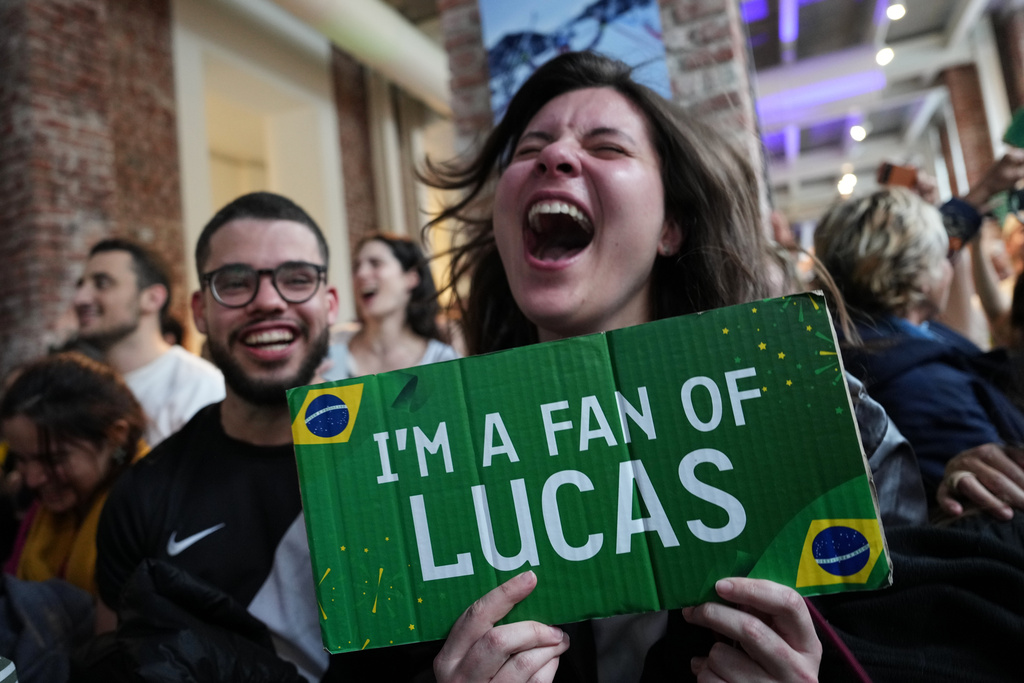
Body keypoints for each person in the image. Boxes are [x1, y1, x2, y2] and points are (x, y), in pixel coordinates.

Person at [375, 51, 825, 683]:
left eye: (607, 148)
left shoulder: (812, 423)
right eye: (532, 146)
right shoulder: (430, 465)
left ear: (671, 226)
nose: (554, 157)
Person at [93, 193, 339, 682]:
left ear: (329, 303)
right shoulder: (141, 496)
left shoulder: (401, 458)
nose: (268, 301)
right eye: (235, 282)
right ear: (201, 311)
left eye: (296, 279)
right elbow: (113, 663)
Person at [814, 186, 1024, 512]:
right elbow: (1001, 496)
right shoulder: (920, 384)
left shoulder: (877, 336)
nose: (950, 268)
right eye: (943, 257)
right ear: (919, 277)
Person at [1, 352, 146, 596]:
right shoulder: (43, 511)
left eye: (53, 459)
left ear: (116, 436)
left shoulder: (149, 514)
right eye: (22, 460)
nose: (32, 479)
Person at [74, 238, 225, 447]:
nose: (80, 298)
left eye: (102, 284)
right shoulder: (81, 388)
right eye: (80, 285)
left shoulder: (196, 385)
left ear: (152, 299)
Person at [321, 232, 458, 380]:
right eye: (356, 267)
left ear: (411, 278)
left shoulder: (444, 361)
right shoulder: (329, 350)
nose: (361, 273)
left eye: (375, 263)